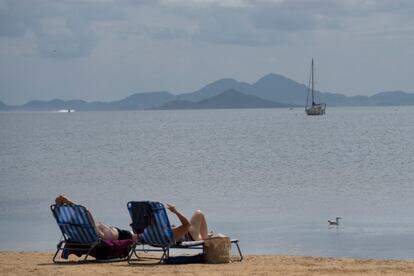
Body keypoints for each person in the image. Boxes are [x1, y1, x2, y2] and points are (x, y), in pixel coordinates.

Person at [55, 195, 138, 241]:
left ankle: (142, 232)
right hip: (117, 235)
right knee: (135, 236)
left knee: (133, 233)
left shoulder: (72, 228)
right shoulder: (89, 226)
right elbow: (85, 210)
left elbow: (58, 199)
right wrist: (69, 203)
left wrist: (62, 205)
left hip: (113, 232)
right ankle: (144, 234)